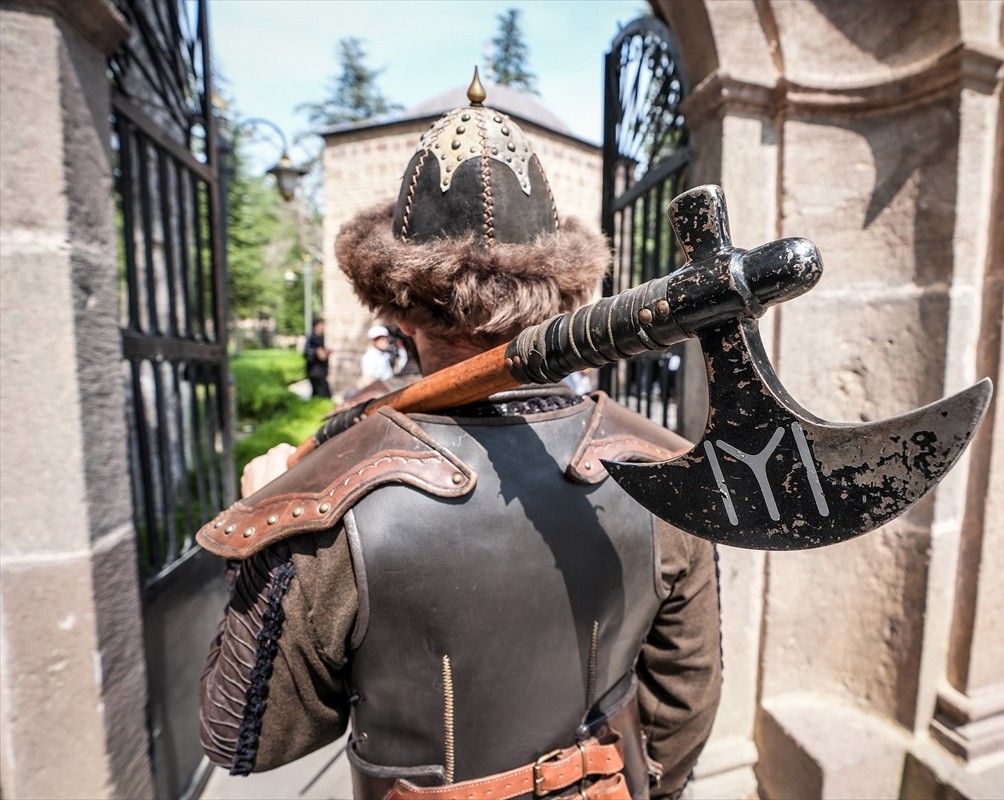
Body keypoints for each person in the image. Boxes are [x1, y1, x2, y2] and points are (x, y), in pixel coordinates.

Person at [196, 79, 721, 800]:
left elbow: (242, 735)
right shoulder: (662, 465)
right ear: (566, 295)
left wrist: (265, 533)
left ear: (396, 308)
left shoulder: (324, 497)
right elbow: (684, 700)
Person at [304, 317, 332, 398]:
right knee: (324, 396)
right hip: (316, 373)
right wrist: (328, 351)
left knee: (316, 395)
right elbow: (322, 355)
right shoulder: (314, 339)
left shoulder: (318, 338)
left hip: (318, 372)